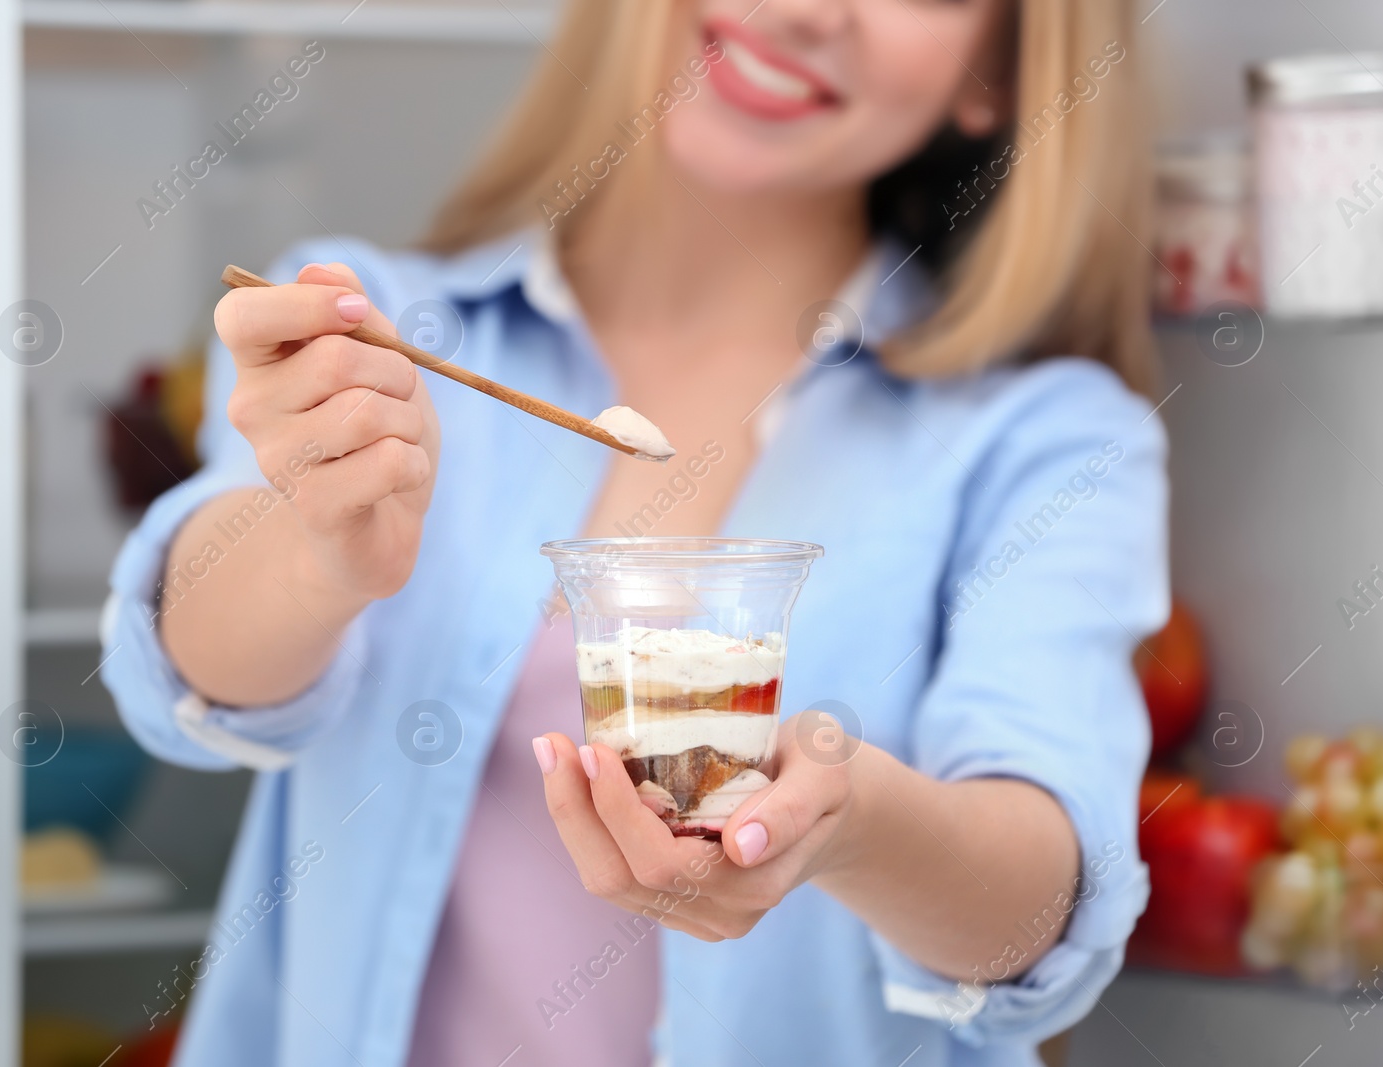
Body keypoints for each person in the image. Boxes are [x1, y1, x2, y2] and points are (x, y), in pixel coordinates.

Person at [102, 0, 1167, 1064]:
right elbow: (192, 684)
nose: (801, 9)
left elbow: (1037, 916)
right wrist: (314, 554)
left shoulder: (1044, 438)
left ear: (995, 70)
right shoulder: (383, 331)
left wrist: (848, 823)